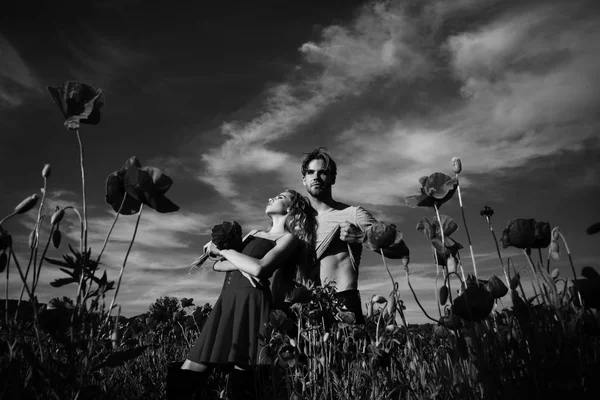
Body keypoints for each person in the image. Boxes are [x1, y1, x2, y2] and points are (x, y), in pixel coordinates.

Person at [166, 189, 317, 400]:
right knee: (191, 367)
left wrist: (224, 252)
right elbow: (218, 267)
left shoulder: (288, 239)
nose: (271, 197)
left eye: (280, 197)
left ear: (292, 209)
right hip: (227, 302)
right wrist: (242, 266)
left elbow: (261, 268)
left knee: (243, 378)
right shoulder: (253, 234)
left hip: (252, 304)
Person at [301, 147, 407, 324]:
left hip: (343, 302)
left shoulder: (353, 214)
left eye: (323, 172)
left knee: (349, 351)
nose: (316, 177)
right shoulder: (298, 221)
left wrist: (361, 238)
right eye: (310, 172)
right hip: (307, 305)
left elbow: (401, 249)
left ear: (333, 178)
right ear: (304, 180)